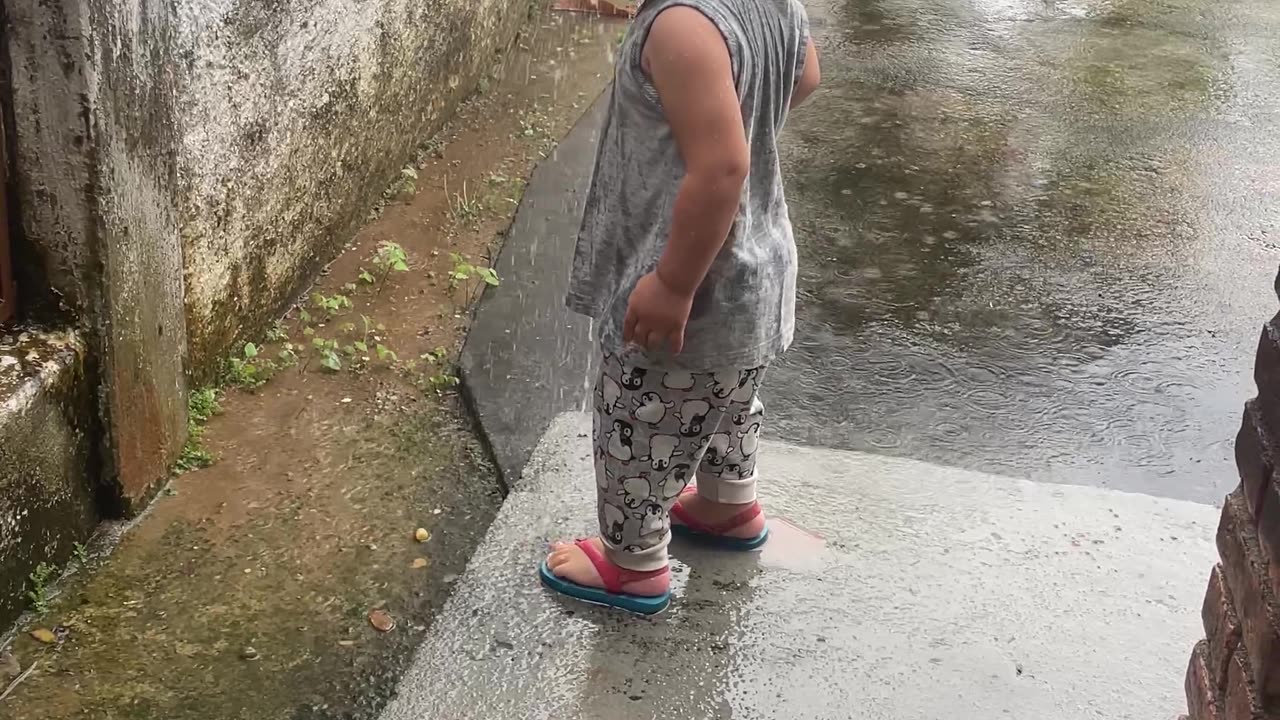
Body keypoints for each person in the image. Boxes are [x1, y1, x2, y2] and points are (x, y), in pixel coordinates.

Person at [539, 0, 821, 614]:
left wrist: (671, 283)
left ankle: (632, 562)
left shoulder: (680, 25)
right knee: (725, 400)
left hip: (695, 281)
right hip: (757, 266)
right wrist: (737, 113)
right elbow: (804, 76)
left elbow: (721, 167)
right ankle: (726, 505)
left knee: (641, 414)